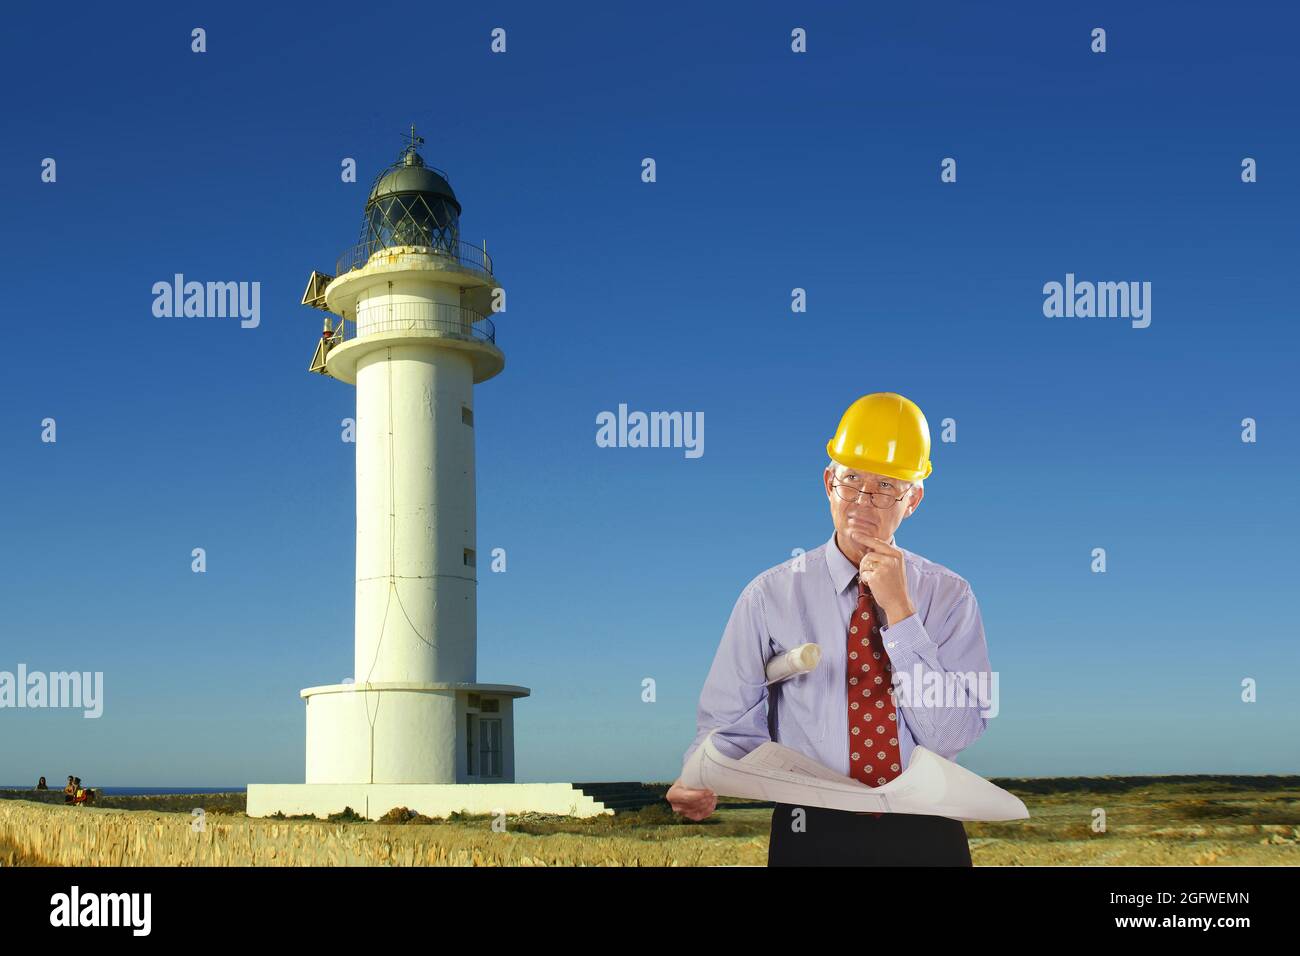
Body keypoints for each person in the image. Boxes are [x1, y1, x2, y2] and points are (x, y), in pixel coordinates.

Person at [667, 392, 994, 866]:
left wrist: (901, 614)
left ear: (914, 499)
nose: (864, 501)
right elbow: (728, 723)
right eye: (852, 480)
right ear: (828, 482)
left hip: (926, 826)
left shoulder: (950, 597)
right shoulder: (768, 596)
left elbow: (951, 736)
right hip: (811, 831)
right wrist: (698, 774)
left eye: (886, 485)